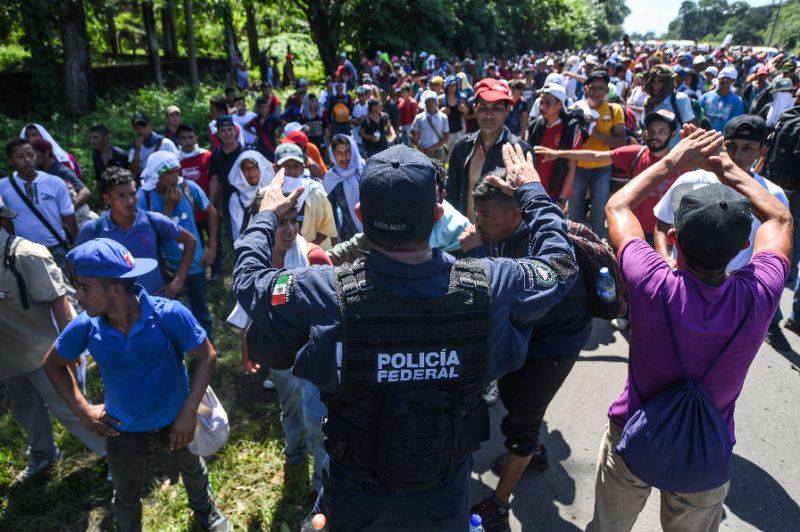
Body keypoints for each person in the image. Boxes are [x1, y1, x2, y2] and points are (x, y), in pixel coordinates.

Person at [232, 143, 578, 531]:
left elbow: (249, 282)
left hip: (353, 497)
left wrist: (265, 218)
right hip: (443, 498)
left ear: (361, 216)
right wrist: (533, 192)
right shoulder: (491, 285)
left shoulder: (324, 293)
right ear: (435, 215)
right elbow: (558, 267)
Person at [587, 126, 791, 532]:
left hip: (633, 437)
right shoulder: (759, 293)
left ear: (674, 238)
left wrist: (672, 161)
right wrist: (729, 168)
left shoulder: (651, 281)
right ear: (740, 249)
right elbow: (780, 217)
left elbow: (617, 208)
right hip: (706, 458)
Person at [43, 238, 232, 532]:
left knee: (192, 468)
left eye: (84, 287)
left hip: (175, 420)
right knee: (126, 491)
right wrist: (82, 410)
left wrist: (188, 412)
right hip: (123, 428)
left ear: (115, 289)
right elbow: (52, 364)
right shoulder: (86, 326)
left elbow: (206, 355)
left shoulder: (168, 315)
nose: (77, 296)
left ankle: (205, 510)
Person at [460, 170, 591, 531]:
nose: (477, 222)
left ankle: (500, 505)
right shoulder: (502, 234)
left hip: (554, 346)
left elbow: (514, 298)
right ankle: (532, 452)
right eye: (476, 212)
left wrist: (479, 253)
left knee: (522, 421)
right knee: (511, 399)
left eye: (485, 215)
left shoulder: (536, 246)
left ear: (516, 216)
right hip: (527, 339)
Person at [229, 201, 331, 494]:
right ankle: (295, 453)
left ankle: (320, 484)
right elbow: (248, 307)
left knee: (317, 419)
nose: (288, 230)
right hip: (277, 354)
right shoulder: (254, 262)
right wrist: (246, 347)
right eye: (279, 223)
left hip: (311, 357)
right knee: (288, 406)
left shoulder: (313, 258)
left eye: (292, 221)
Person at [0, 205, 106, 485]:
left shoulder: (25, 255)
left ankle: (115, 453)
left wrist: (68, 349)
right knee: (25, 409)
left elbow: (59, 302)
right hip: (9, 358)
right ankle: (43, 453)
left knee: (73, 410)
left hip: (46, 354)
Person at [536, 110, 680, 242]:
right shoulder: (636, 154)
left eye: (661, 131)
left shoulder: (680, 161)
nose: (655, 136)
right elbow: (595, 156)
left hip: (665, 235)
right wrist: (558, 153)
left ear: (673, 134)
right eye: (652, 131)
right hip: (632, 231)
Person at [76, 166, 196, 298]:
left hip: (156, 302)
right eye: (121, 196)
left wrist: (179, 279)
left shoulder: (153, 220)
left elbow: (190, 240)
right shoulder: (93, 230)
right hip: (115, 310)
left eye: (133, 193)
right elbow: (75, 264)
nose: (130, 201)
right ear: (107, 199)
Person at [137, 152, 217, 342]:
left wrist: (211, 246)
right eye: (168, 174)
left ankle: (207, 346)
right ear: (156, 175)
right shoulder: (144, 197)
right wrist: (168, 209)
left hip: (194, 261)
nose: (174, 178)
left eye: (176, 172)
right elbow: (147, 233)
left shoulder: (188, 187)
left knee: (200, 308)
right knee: (168, 312)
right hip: (165, 267)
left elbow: (211, 212)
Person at [448, 78, 531, 221]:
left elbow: (527, 204)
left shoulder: (520, 152)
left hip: (502, 240)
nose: (489, 115)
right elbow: (451, 195)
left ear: (507, 110)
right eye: (483, 107)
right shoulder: (462, 147)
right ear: (475, 109)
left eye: (497, 108)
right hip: (465, 236)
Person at [0, 138, 77, 270]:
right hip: (24, 253)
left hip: (56, 249)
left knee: (64, 289)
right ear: (10, 161)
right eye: (20, 157)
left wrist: (77, 247)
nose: (28, 160)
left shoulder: (55, 182)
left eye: (30, 154)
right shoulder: (3, 187)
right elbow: (6, 222)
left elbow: (69, 219)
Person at [567, 70, 627, 238]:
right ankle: (573, 250)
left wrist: (591, 131)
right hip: (577, 167)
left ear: (607, 91)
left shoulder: (615, 110)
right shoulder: (575, 108)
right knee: (574, 213)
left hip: (602, 168)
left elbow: (620, 141)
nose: (596, 92)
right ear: (585, 89)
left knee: (599, 215)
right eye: (592, 88)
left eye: (600, 88)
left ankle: (598, 252)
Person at [526, 82, 581, 209]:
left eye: (548, 103)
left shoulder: (570, 129)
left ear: (560, 104)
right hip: (534, 191)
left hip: (555, 194)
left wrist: (562, 200)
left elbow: (571, 168)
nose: (542, 107)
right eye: (541, 102)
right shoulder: (536, 126)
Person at [274, 143, 336, 249]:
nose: (292, 171)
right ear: (275, 168)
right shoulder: (266, 196)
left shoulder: (315, 192)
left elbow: (327, 228)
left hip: (314, 259)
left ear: (303, 168)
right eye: (286, 166)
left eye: (296, 166)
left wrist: (305, 251)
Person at [208, 115, 244, 281]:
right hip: (229, 204)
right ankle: (243, 272)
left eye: (230, 129)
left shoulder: (245, 152)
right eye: (223, 130)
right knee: (234, 239)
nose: (227, 133)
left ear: (235, 131)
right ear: (218, 134)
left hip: (248, 202)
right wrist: (212, 204)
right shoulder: (216, 155)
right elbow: (215, 180)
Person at [30, 138, 93, 224]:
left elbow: (85, 192)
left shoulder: (61, 170)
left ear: (46, 152)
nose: (32, 159)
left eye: (35, 154)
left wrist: (70, 211)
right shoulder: (37, 172)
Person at [176, 124, 213, 241]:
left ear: (196, 138)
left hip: (208, 207)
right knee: (195, 244)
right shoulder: (175, 161)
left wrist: (215, 204)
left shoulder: (207, 156)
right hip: (187, 212)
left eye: (190, 137)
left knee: (215, 244)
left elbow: (215, 182)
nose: (188, 141)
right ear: (178, 140)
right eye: (184, 138)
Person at [227, 150, 275, 241]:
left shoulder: (273, 190)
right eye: (246, 168)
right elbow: (237, 232)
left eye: (254, 167)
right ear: (240, 171)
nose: (251, 172)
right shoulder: (236, 198)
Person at [643, 65, 696, 147]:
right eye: (653, 81)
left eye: (660, 81)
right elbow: (645, 131)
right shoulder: (648, 102)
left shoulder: (680, 99)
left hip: (677, 154)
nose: (656, 86)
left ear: (667, 83)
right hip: (656, 155)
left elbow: (692, 130)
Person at [324, 135, 364, 242]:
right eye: (339, 153)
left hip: (373, 231)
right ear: (333, 154)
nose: (344, 158)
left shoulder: (364, 171)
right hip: (348, 236)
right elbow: (331, 214)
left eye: (347, 152)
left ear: (353, 151)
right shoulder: (330, 179)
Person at [128, 113, 179, 178]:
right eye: (138, 128)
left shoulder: (166, 143)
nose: (142, 131)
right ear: (134, 129)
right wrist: (137, 151)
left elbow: (178, 163)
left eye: (144, 126)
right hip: (147, 183)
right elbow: (133, 172)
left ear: (150, 125)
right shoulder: (134, 147)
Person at [699, 67, 744, 132]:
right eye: (722, 78)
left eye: (728, 78)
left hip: (723, 138)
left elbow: (736, 123)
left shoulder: (737, 101)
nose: (724, 80)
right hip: (703, 136)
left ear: (733, 81)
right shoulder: (705, 97)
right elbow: (698, 117)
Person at [410, 90, 449, 163]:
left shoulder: (443, 117)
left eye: (432, 101)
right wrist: (420, 147)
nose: (430, 104)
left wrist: (433, 148)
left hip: (438, 151)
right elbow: (412, 134)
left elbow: (446, 137)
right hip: (423, 151)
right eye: (428, 101)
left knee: (438, 173)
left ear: (436, 102)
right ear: (425, 103)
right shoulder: (419, 117)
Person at [248, 96, 283, 161]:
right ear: (258, 109)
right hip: (260, 147)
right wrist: (255, 133)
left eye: (265, 107)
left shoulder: (272, 119)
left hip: (271, 147)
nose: (264, 109)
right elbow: (246, 126)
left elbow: (284, 124)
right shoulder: (255, 120)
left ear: (268, 108)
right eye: (261, 107)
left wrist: (278, 134)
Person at [443, 75, 469, 152]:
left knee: (458, 151)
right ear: (447, 86)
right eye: (451, 85)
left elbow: (466, 114)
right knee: (446, 154)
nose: (453, 87)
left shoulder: (461, 98)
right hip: (446, 132)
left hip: (459, 130)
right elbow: (435, 114)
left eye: (455, 85)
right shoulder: (441, 99)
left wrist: (464, 109)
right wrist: (442, 111)